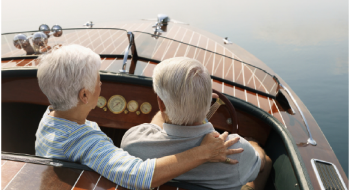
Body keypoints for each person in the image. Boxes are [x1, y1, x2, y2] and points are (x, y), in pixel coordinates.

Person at [34, 45, 243, 190]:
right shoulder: (84, 143)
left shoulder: (50, 119)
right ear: (85, 96)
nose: (100, 83)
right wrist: (204, 152)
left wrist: (196, 110)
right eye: (98, 79)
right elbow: (140, 176)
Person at [121, 57, 272, 190]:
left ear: (161, 104)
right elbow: (262, 164)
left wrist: (169, 107)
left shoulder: (134, 143)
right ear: (210, 101)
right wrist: (254, 144)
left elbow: (155, 125)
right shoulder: (237, 149)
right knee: (267, 161)